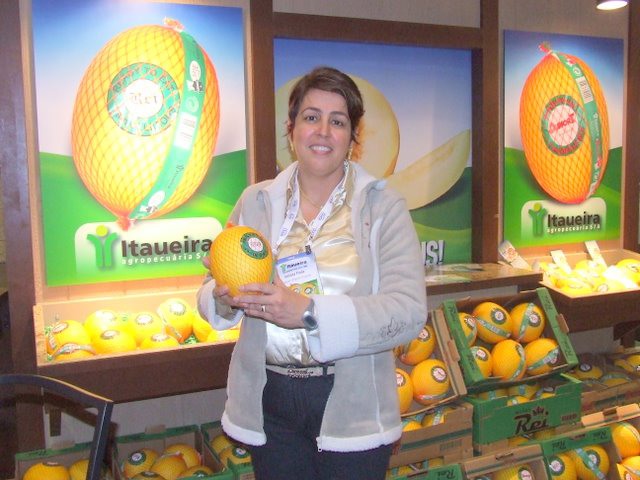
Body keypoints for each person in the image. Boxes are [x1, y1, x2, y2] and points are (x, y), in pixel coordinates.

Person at [197, 66, 427, 480]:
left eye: (337, 121)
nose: (323, 131)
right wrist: (223, 297)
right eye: (310, 117)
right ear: (291, 130)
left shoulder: (383, 207)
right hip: (272, 403)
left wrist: (309, 312)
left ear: (353, 138)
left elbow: (408, 312)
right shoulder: (256, 201)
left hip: (351, 403)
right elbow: (213, 288)